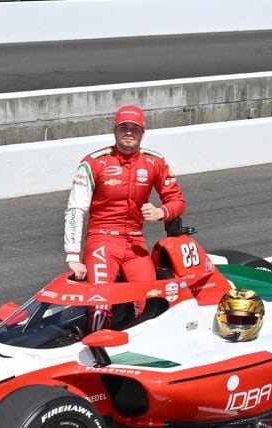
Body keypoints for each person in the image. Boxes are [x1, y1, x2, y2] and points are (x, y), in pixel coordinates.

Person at [64, 105, 186, 328]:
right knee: (100, 304)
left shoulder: (155, 161)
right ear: (115, 130)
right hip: (102, 241)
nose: (129, 132)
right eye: (123, 128)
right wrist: (72, 256)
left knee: (150, 302)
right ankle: (95, 345)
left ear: (143, 133)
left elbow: (177, 201)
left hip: (135, 243)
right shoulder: (93, 162)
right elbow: (75, 209)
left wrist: (161, 212)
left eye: (135, 128)